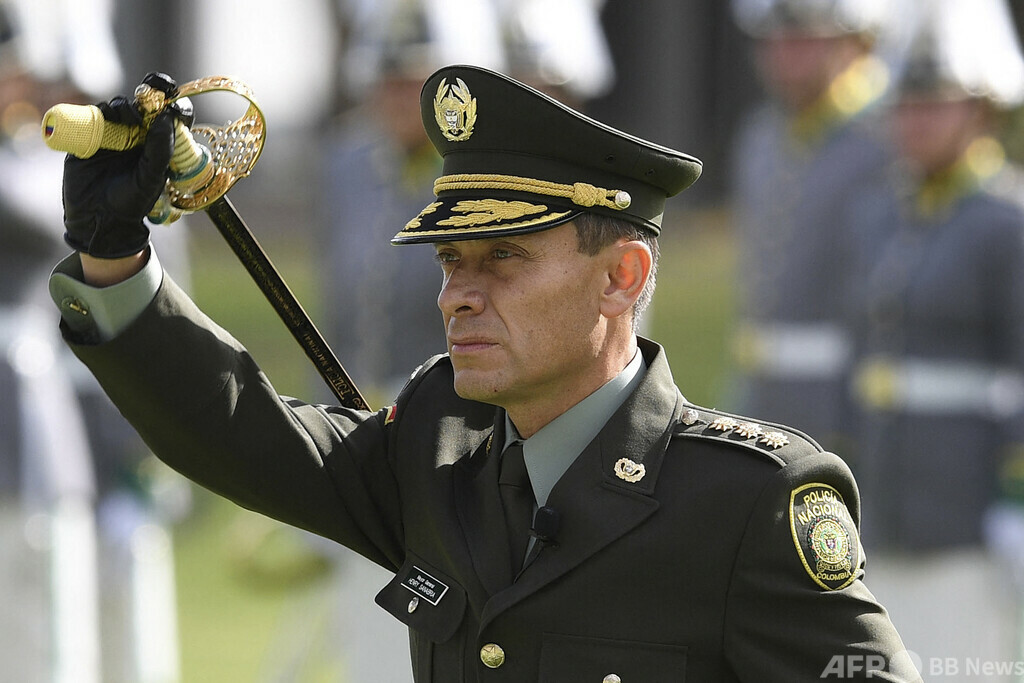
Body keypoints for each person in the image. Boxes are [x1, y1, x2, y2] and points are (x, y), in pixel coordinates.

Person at [48, 64, 917, 681]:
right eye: (450, 261)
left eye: (502, 258)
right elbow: (243, 431)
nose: (458, 295)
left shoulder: (747, 501)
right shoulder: (439, 444)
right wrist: (115, 259)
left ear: (622, 278)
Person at [845, 0, 1024, 675]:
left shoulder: (1007, 220)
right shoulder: (879, 215)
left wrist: (1016, 500)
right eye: (904, 107)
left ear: (980, 110)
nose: (914, 122)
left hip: (966, 512)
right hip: (884, 501)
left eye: (934, 105)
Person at [726, 0, 895, 451]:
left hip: (849, 400)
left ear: (852, 45)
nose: (783, 55)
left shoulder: (887, 140)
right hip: (763, 391)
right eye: (773, 42)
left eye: (803, 41)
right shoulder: (760, 135)